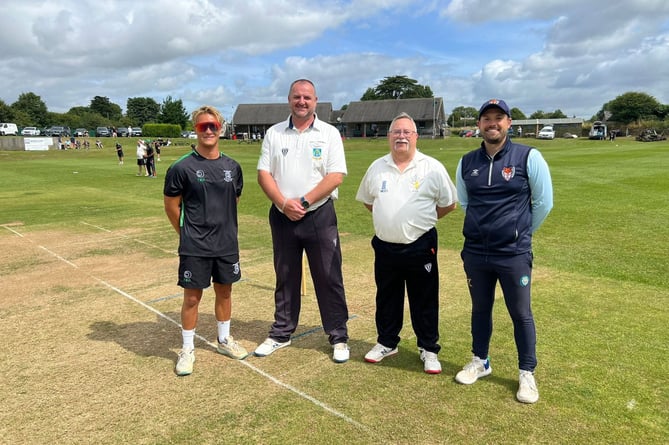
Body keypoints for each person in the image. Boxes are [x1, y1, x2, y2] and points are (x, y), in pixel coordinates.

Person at [454, 99, 553, 403]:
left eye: (499, 118)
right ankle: (480, 361)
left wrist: (518, 234)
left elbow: (543, 204)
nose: (492, 123)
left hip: (513, 254)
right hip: (476, 253)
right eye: (486, 119)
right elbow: (466, 204)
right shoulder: (467, 161)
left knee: (520, 313)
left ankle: (526, 372)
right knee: (480, 309)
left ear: (509, 123)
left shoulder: (529, 156)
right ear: (479, 125)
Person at [255, 78, 350, 363]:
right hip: (283, 215)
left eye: (307, 97)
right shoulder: (274, 133)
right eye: (297, 97)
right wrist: (284, 203)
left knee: (329, 276)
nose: (302, 102)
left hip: (319, 214)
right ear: (289, 100)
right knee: (285, 276)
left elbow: (336, 176)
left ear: (315, 101)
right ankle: (281, 333)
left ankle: (338, 336)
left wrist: (305, 201)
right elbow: (264, 174)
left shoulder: (329, 133)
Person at [355, 112, 458, 374]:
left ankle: (429, 348)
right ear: (389, 137)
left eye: (406, 132)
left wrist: (420, 221)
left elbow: (449, 204)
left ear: (415, 136)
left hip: (420, 245)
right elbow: (369, 201)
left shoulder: (431, 167)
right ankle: (387, 342)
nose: (401, 136)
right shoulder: (377, 166)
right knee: (387, 297)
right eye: (396, 132)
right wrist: (389, 220)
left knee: (424, 298)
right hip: (385, 246)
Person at [164, 104, 249, 376]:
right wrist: (186, 233)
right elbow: (171, 206)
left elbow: (232, 200)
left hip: (226, 244)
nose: (209, 130)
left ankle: (224, 340)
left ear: (221, 129)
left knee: (225, 292)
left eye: (213, 126)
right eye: (203, 126)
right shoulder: (181, 167)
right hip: (195, 246)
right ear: (195, 129)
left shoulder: (232, 167)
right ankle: (187, 349)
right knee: (191, 298)